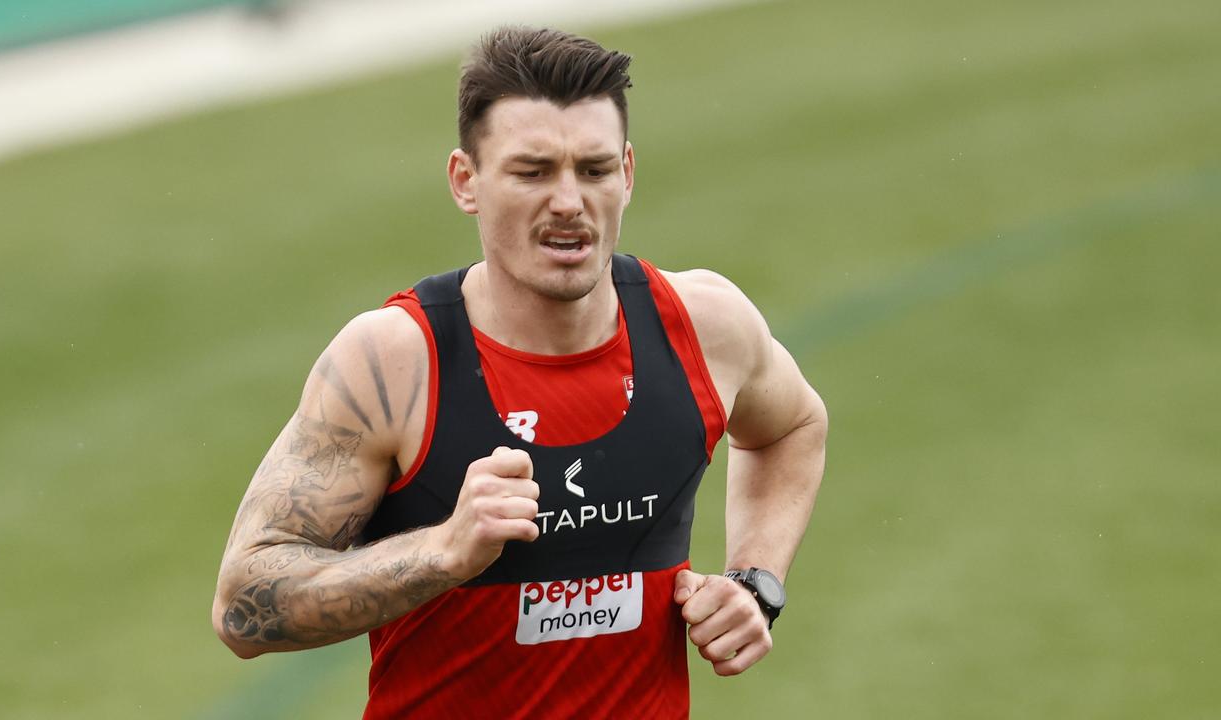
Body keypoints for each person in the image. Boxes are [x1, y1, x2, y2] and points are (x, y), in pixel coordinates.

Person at [212, 25, 826, 719]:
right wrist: (442, 552)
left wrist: (755, 582)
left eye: (592, 170)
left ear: (626, 173)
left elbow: (793, 425)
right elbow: (243, 607)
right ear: (466, 182)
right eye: (532, 172)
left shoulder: (704, 326)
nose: (569, 201)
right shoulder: (395, 363)